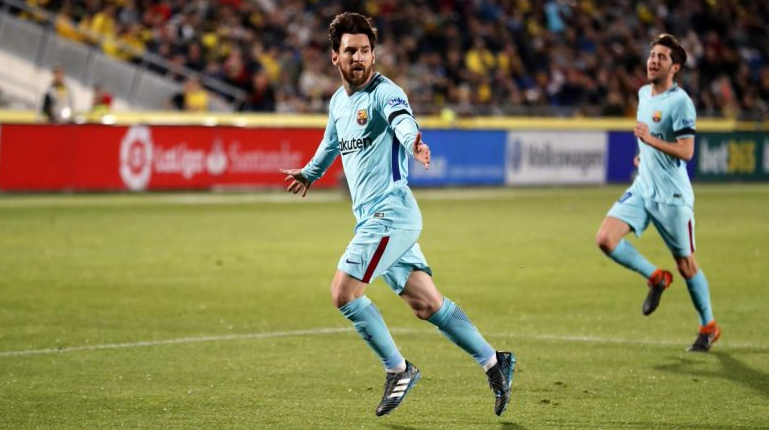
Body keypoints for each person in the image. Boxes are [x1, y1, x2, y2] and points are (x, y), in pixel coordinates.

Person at [280, 12, 515, 417]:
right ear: (335, 57)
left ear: (374, 54)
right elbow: (331, 142)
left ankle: (398, 369)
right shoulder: (338, 102)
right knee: (426, 304)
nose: (358, 57)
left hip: (390, 213)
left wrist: (413, 143)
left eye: (365, 50)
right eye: (350, 51)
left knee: (343, 292)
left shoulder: (385, 92)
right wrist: (310, 173)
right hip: (375, 219)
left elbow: (402, 121)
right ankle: (495, 362)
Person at [595, 34, 720, 352]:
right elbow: (650, 141)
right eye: (652, 55)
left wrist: (650, 141)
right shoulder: (642, 93)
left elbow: (687, 151)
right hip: (643, 189)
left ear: (674, 68)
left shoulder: (681, 103)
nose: (653, 61)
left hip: (672, 198)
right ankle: (656, 278)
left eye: (661, 57)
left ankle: (708, 326)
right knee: (605, 239)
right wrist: (644, 155)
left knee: (687, 266)